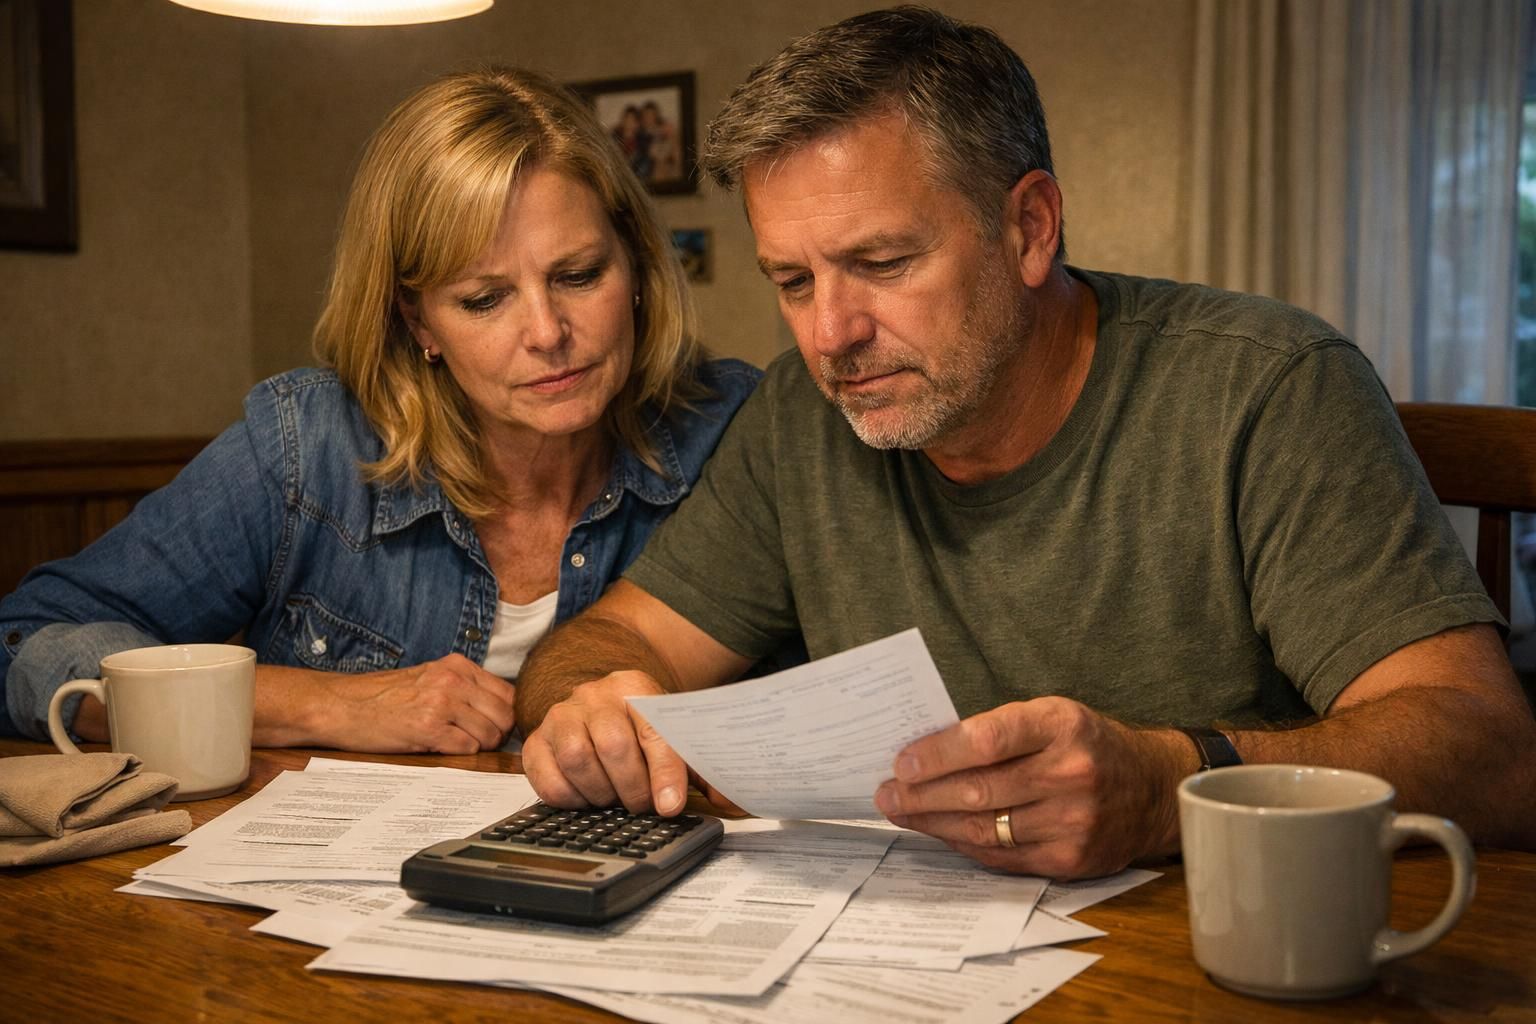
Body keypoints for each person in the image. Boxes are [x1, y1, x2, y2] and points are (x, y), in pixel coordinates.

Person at [514, 7, 1536, 878]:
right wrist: (586, 705)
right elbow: (614, 643)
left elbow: (1492, 750)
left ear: (1032, 226)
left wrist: (1172, 783)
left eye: (880, 261)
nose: (830, 335)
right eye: (793, 281)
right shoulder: (801, 417)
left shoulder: (1264, 388)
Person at [0, 66, 759, 754]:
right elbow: (21, 641)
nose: (548, 333)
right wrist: (327, 705)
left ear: (635, 267)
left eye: (579, 274)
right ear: (418, 321)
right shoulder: (309, 447)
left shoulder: (734, 432)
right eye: (484, 299)